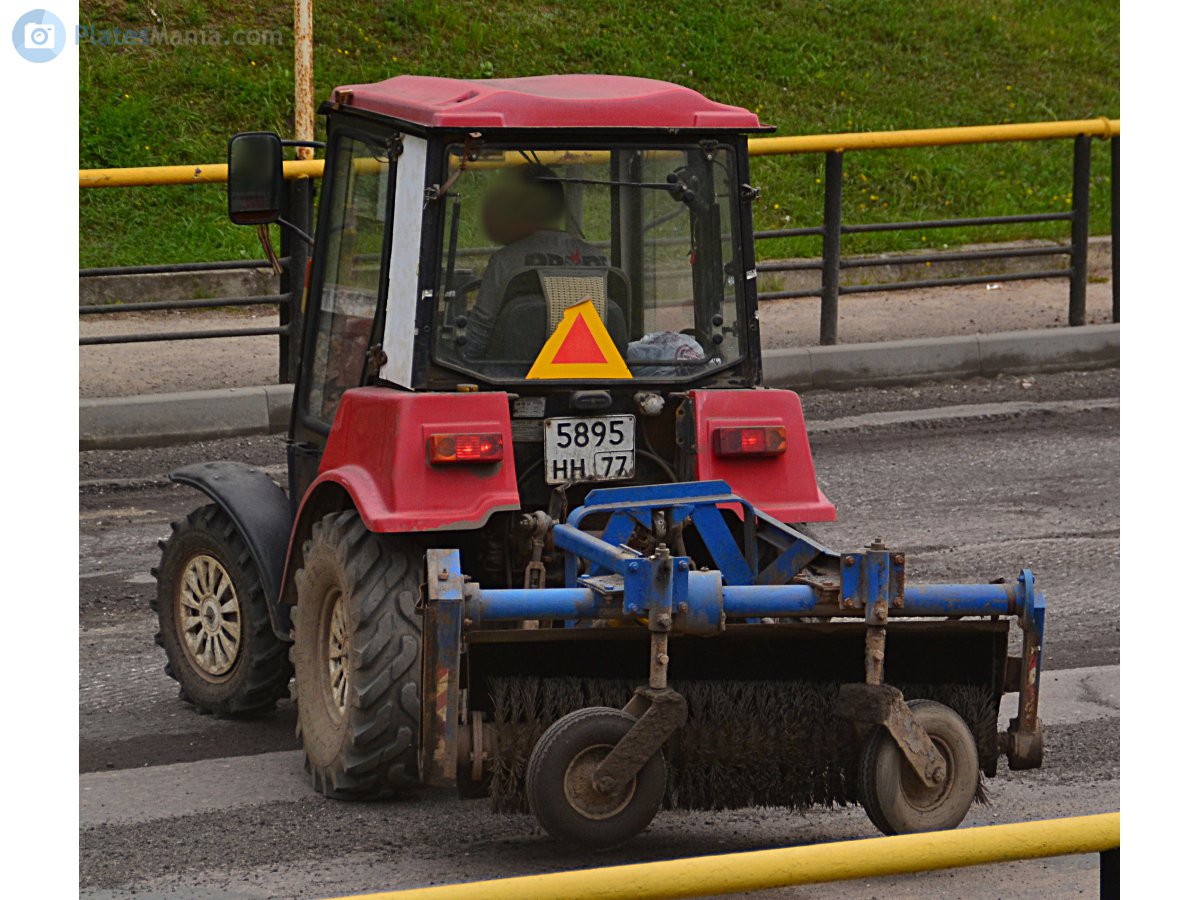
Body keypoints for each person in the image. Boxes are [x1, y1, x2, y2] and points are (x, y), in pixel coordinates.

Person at [462, 165, 608, 360]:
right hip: (595, 372)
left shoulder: (506, 262)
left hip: (512, 374)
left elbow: (478, 335)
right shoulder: (602, 261)